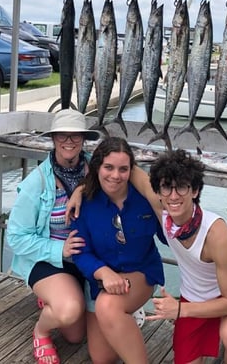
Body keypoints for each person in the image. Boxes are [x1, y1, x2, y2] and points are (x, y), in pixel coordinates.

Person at [131, 150, 227, 364]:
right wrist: (81, 190)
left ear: (195, 190)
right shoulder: (163, 212)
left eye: (182, 187)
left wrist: (179, 310)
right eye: (166, 186)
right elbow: (131, 170)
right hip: (193, 296)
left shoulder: (216, 233)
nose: (174, 195)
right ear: (159, 191)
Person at [6, 109, 101, 363]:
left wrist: (82, 187)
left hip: (90, 260)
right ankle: (41, 330)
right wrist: (59, 250)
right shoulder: (36, 182)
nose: (69, 141)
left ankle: (58, 297)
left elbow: (128, 169)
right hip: (50, 261)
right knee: (69, 313)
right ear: (53, 138)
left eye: (75, 136)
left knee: (77, 336)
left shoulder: (99, 170)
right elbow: (15, 236)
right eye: (62, 135)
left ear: (84, 140)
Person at [71, 137, 165, 364]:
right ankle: (125, 317)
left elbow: (170, 236)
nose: (115, 176)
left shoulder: (145, 198)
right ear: (97, 168)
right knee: (103, 357)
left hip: (140, 272)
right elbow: (80, 251)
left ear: (132, 171)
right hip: (102, 281)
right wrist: (102, 272)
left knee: (108, 305)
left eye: (123, 169)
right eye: (109, 167)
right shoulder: (85, 201)